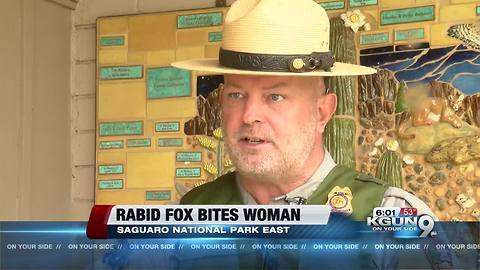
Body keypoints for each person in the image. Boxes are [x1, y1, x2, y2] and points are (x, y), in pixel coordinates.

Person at [172, 0, 435, 220]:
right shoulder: (190, 213)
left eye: (275, 97)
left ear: (322, 112)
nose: (249, 114)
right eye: (236, 95)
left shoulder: (388, 216)